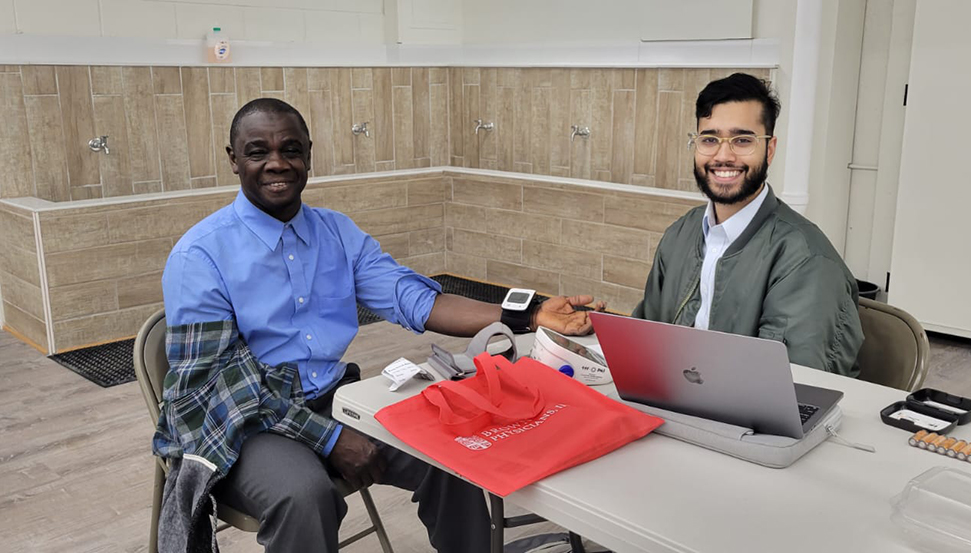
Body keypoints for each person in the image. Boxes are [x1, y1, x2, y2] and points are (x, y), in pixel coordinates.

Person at [158, 98, 600, 552]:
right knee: (304, 495)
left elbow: (417, 300)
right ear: (233, 159)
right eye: (257, 151)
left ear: (309, 153)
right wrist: (330, 439)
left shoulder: (336, 233)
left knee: (452, 452)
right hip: (243, 422)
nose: (277, 163)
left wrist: (528, 315)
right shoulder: (200, 256)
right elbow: (218, 385)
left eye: (290, 149)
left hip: (329, 399)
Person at [633, 73, 864, 377]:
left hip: (746, 420)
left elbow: (787, 386)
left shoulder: (806, 260)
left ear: (769, 149)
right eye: (710, 139)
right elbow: (644, 339)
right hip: (676, 399)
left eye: (742, 140)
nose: (723, 155)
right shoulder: (680, 234)